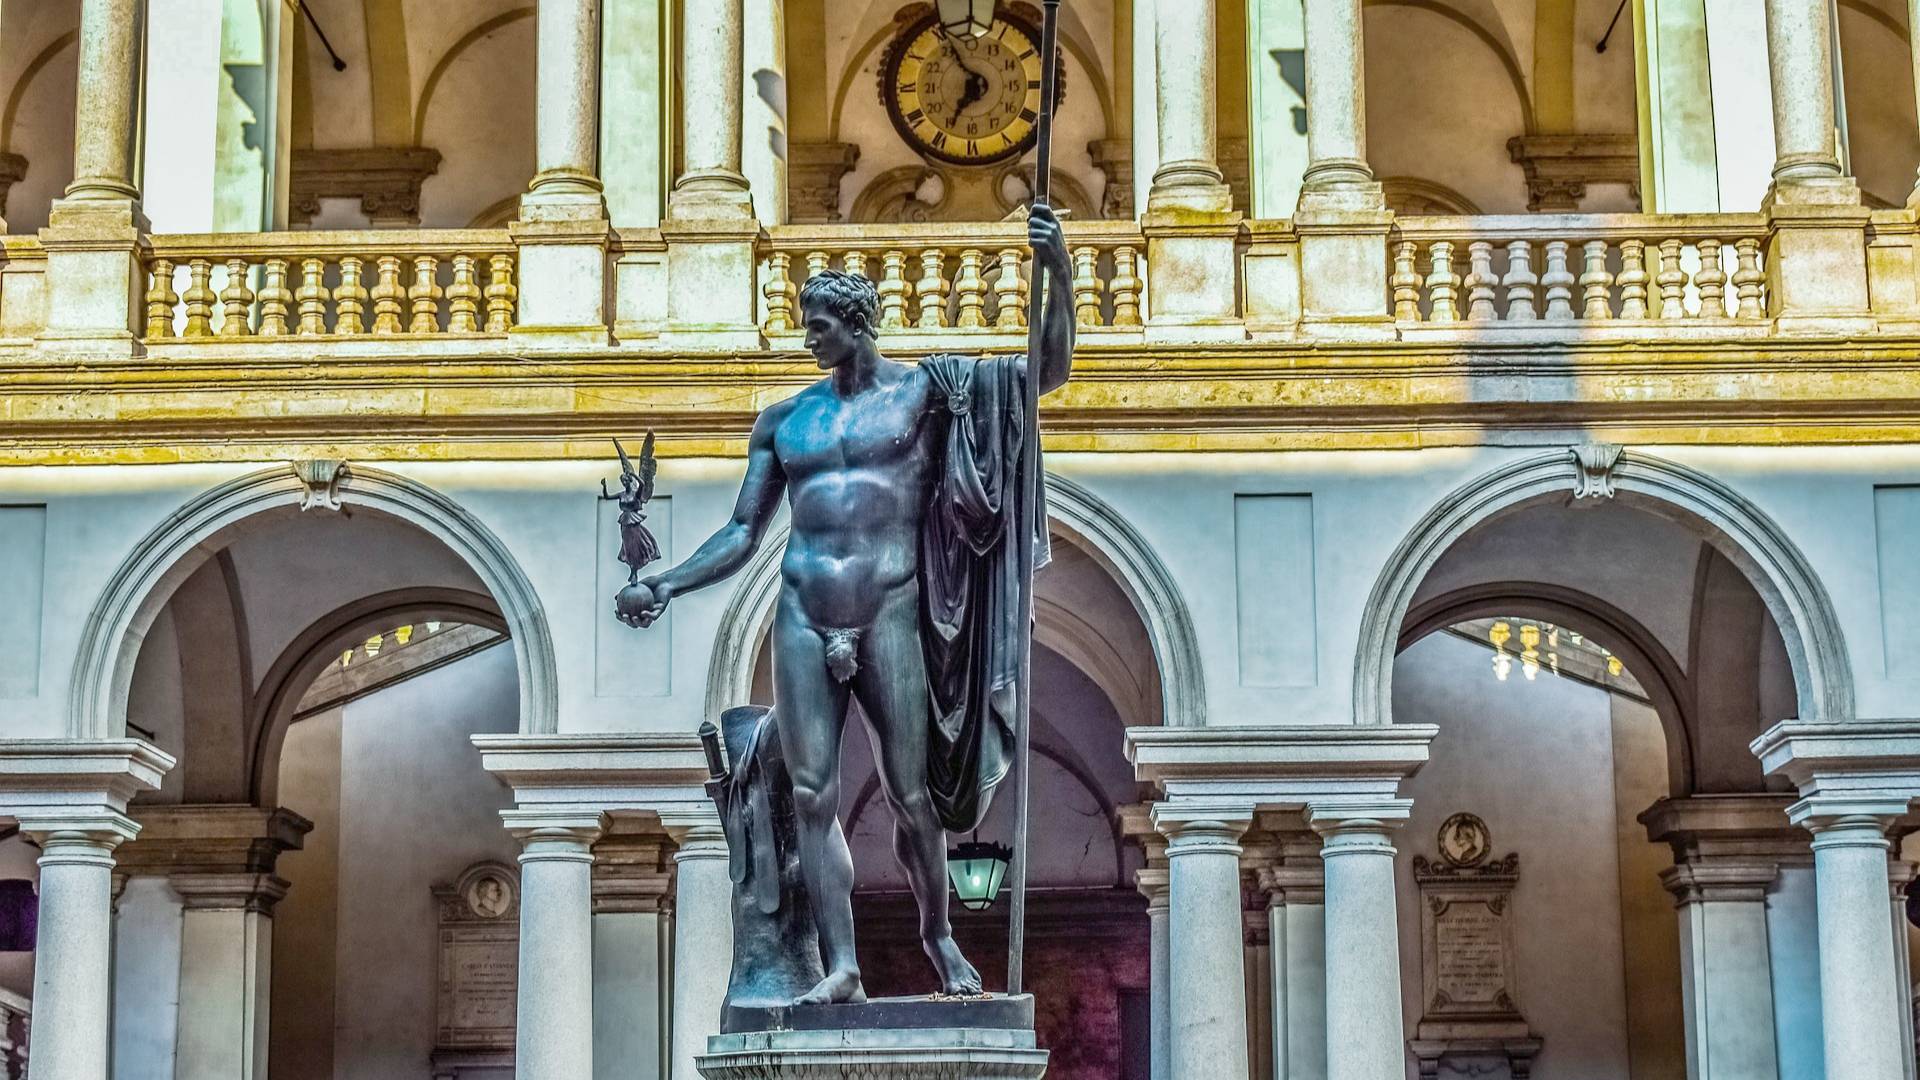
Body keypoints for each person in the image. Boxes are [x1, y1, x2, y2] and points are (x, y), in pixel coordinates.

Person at [621, 204, 1075, 1004]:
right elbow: (740, 532)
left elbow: (1045, 373)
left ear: (859, 325)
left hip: (891, 607)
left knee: (912, 797)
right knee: (810, 795)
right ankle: (842, 967)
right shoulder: (785, 420)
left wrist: (1058, 270)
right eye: (806, 325)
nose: (808, 339)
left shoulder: (930, 393)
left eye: (820, 324)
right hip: (802, 610)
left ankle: (937, 935)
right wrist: (667, 581)